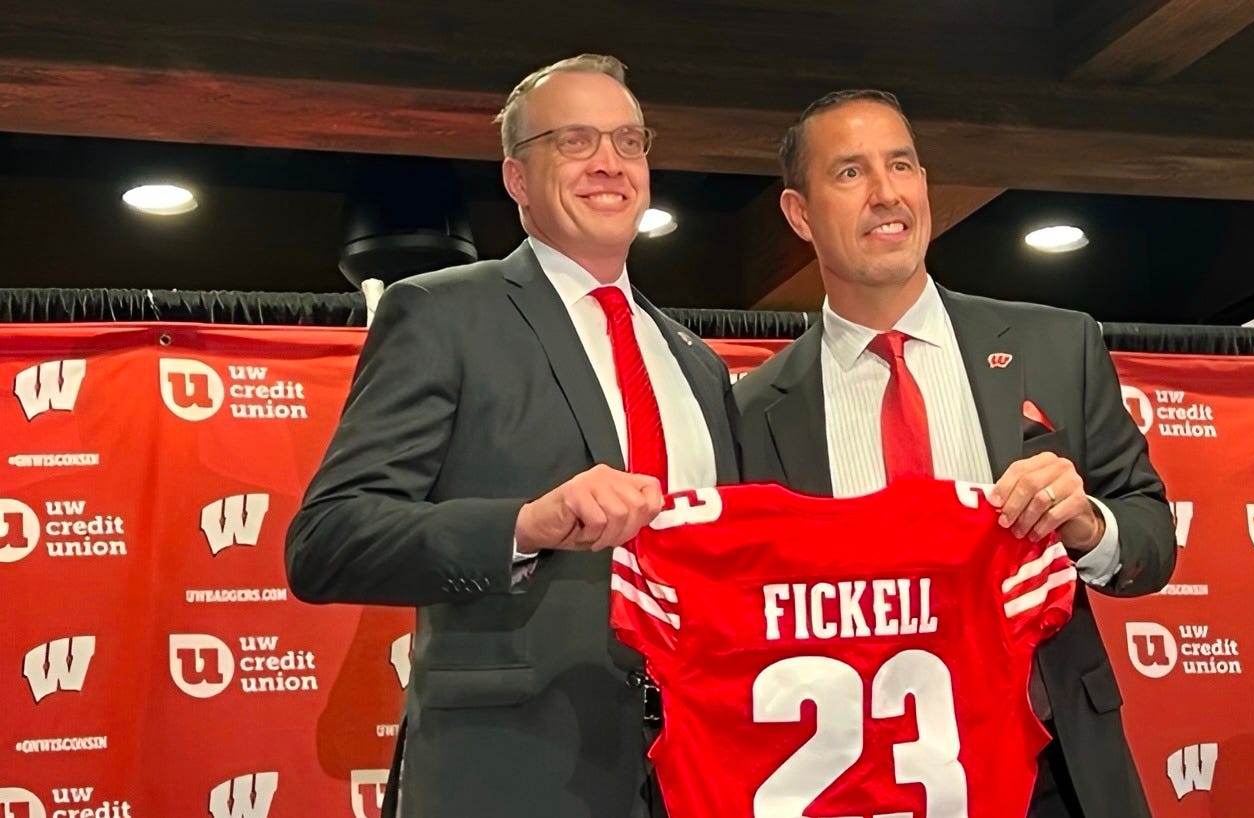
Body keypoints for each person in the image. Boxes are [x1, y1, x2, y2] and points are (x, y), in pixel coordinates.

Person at [286, 54, 738, 818]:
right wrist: (527, 525)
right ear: (517, 179)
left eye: (630, 142)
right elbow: (326, 542)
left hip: (696, 772)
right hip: (512, 771)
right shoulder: (441, 313)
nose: (609, 163)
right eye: (575, 141)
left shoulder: (696, 361)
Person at [734, 89, 1175, 818]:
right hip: (856, 783)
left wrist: (1088, 525)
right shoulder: (753, 413)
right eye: (850, 173)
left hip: (1050, 773)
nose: (886, 194)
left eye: (901, 165)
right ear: (798, 214)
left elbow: (1152, 540)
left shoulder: (1056, 346)